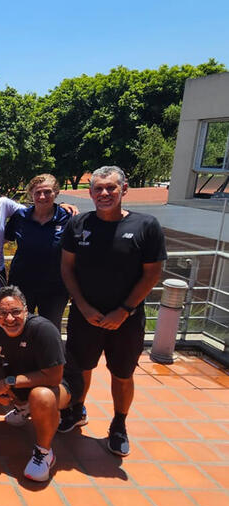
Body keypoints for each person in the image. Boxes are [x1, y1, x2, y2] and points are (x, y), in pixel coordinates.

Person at [58, 166, 166, 457]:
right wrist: (81, 304)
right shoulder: (78, 225)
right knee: (81, 368)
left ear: (124, 190)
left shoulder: (147, 226)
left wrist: (124, 310)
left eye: (111, 188)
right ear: (91, 192)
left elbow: (152, 274)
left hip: (126, 320)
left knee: (122, 375)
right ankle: (76, 411)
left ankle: (119, 425)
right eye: (98, 189)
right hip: (85, 314)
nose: (104, 194)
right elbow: (67, 269)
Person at [0, 286, 77, 482]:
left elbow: (53, 377)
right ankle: (23, 408)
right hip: (18, 384)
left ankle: (44, 452)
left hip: (57, 387)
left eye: (16, 312)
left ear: (26, 310)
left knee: (41, 397)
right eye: (2, 313)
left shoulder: (44, 329)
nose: (9, 319)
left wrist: (7, 382)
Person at [4, 174, 72, 327]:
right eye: (37, 192)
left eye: (48, 192)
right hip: (21, 285)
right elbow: (1, 239)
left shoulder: (67, 217)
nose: (42, 196)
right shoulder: (20, 217)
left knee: (50, 330)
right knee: (19, 327)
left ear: (56, 192)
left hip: (55, 288)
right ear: (31, 194)